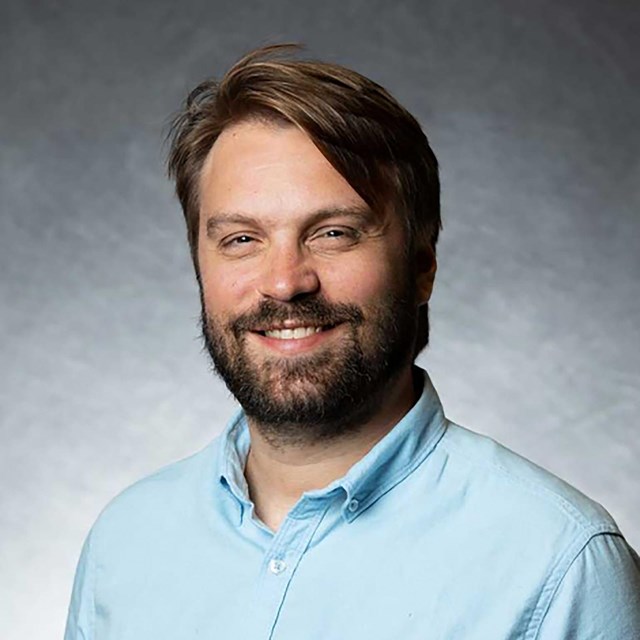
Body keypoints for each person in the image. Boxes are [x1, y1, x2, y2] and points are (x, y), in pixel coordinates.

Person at [64, 44, 640, 639]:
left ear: (421, 266)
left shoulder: (561, 564)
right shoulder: (125, 542)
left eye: (334, 232)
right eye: (241, 239)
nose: (286, 282)